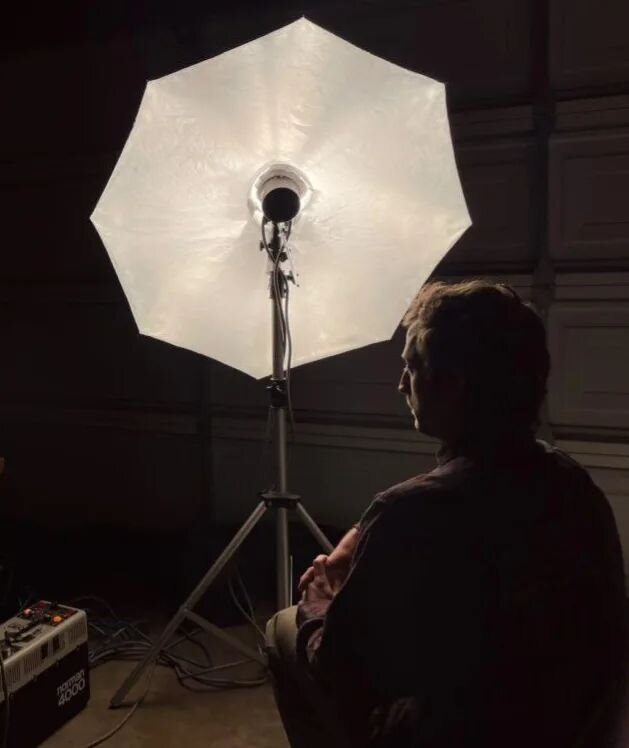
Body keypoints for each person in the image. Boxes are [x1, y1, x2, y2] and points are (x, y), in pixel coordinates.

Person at [265, 280, 628, 748]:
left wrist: (322, 596)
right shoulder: (572, 482)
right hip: (581, 726)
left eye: (411, 368)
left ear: (451, 384)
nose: (400, 385)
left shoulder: (409, 510)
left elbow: (339, 668)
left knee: (286, 628)